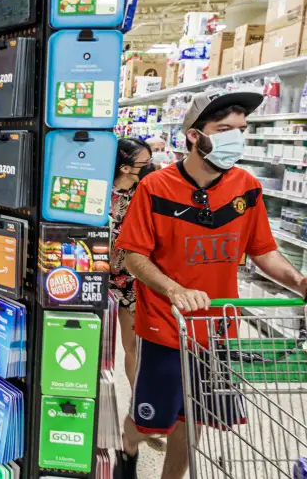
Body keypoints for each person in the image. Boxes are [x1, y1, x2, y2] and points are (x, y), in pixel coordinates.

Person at [113, 89, 307, 479]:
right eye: (224, 129)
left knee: (195, 420)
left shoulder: (247, 187)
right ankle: (128, 451)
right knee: (150, 418)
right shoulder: (155, 187)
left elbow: (263, 252)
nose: (236, 137)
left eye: (242, 128)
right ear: (193, 136)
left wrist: (299, 281)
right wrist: (174, 289)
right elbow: (134, 256)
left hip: (217, 330)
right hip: (166, 326)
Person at [110, 138, 153, 390]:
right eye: (145, 163)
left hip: (134, 279)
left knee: (135, 345)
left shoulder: (147, 193)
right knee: (94, 343)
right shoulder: (97, 191)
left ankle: (140, 405)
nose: (151, 167)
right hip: (98, 276)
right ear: (125, 167)